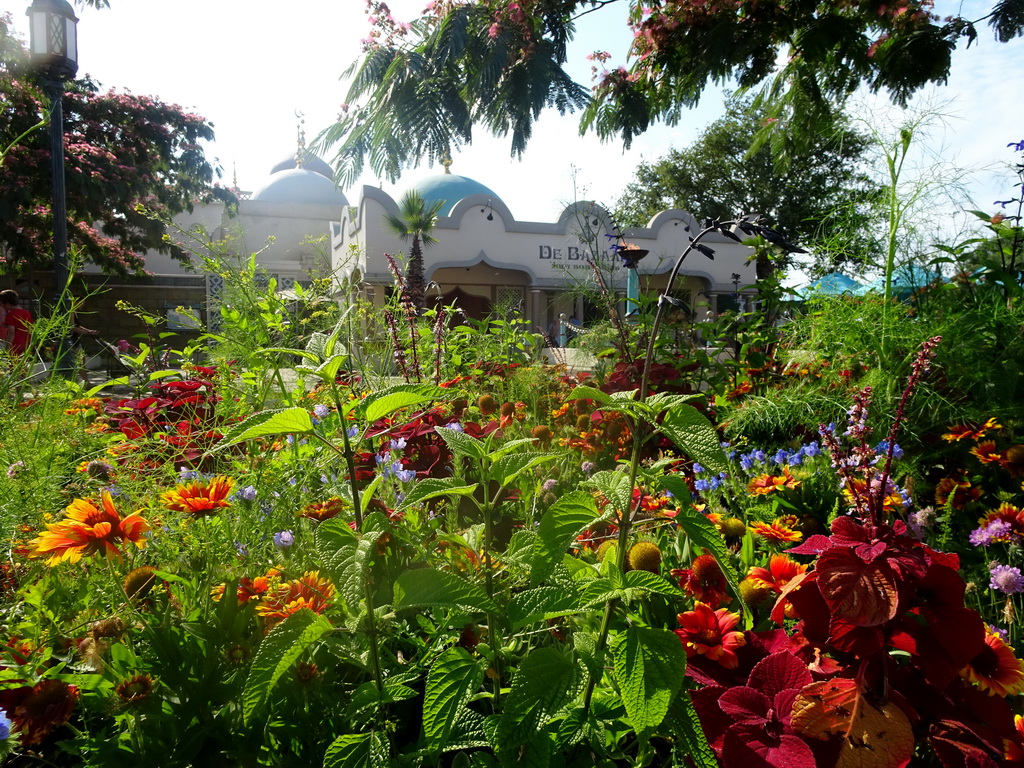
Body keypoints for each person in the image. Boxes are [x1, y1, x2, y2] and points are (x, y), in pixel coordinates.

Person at [0, 289, 33, 356]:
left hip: (15, 346)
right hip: (26, 344)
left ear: (8, 303)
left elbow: (11, 333)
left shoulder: (11, 314)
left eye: (3, 305)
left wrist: (7, 349)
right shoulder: (27, 313)